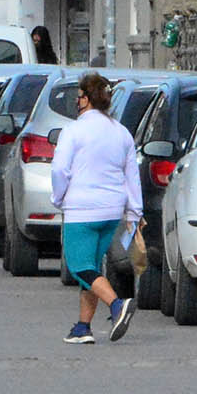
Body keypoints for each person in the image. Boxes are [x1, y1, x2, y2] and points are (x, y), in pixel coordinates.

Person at [47, 71, 143, 344]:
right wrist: (135, 211)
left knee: (80, 266)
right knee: (91, 270)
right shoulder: (121, 132)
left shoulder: (73, 130)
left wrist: (58, 197)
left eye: (78, 97)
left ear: (86, 99)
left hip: (81, 209)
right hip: (112, 211)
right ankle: (82, 327)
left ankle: (116, 305)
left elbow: (60, 169)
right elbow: (131, 175)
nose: (77, 102)